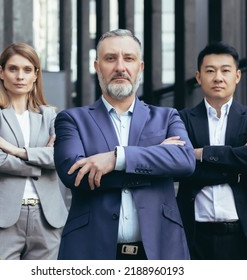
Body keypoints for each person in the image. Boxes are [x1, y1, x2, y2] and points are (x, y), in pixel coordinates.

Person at [54, 29, 196, 260]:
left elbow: (185, 162)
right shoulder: (71, 119)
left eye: (128, 58)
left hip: (160, 250)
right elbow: (75, 175)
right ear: (97, 66)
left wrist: (116, 158)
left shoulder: (167, 117)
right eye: (111, 59)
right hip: (90, 251)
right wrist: (157, 159)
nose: (120, 67)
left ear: (140, 67)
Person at [176, 42, 247, 260]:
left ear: (237, 76)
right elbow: (178, 166)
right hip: (194, 236)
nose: (218, 77)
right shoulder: (182, 119)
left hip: (243, 236)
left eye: (225, 70)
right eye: (210, 71)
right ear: (198, 76)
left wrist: (201, 154)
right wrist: (239, 164)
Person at [0, 43, 68, 260]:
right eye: (13, 69)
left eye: (27, 69)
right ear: (1, 72)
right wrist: (39, 164)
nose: (20, 76)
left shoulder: (50, 115)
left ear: (36, 75)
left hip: (47, 218)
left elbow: (59, 158)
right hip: (1, 218)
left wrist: (13, 150)